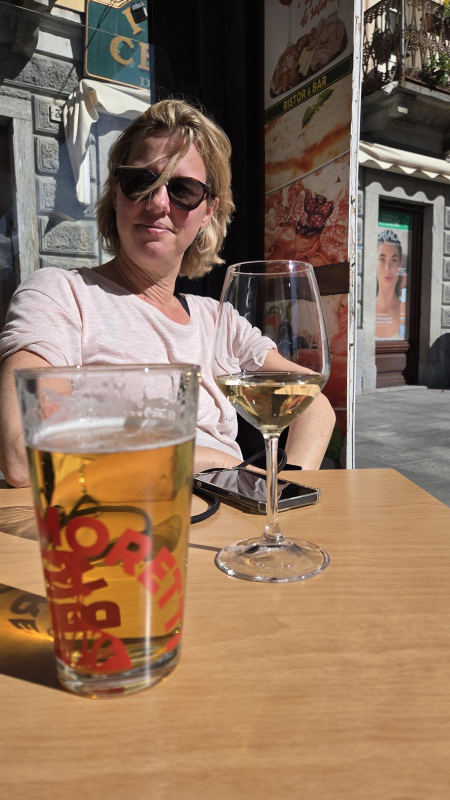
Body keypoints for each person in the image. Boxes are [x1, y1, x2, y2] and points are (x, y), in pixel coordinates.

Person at [0, 99, 335, 488]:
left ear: (208, 211)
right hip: (119, 517)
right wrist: (216, 462)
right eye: (141, 181)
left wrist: (281, 489)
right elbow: (22, 453)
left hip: (234, 512)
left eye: (183, 190)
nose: (158, 203)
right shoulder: (61, 294)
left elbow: (313, 401)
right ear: (116, 192)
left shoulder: (219, 320)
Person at [375, 229, 404, 340]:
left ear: (400, 264)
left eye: (393, 260)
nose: (387, 268)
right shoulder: (364, 309)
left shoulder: (407, 311)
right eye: (382, 259)